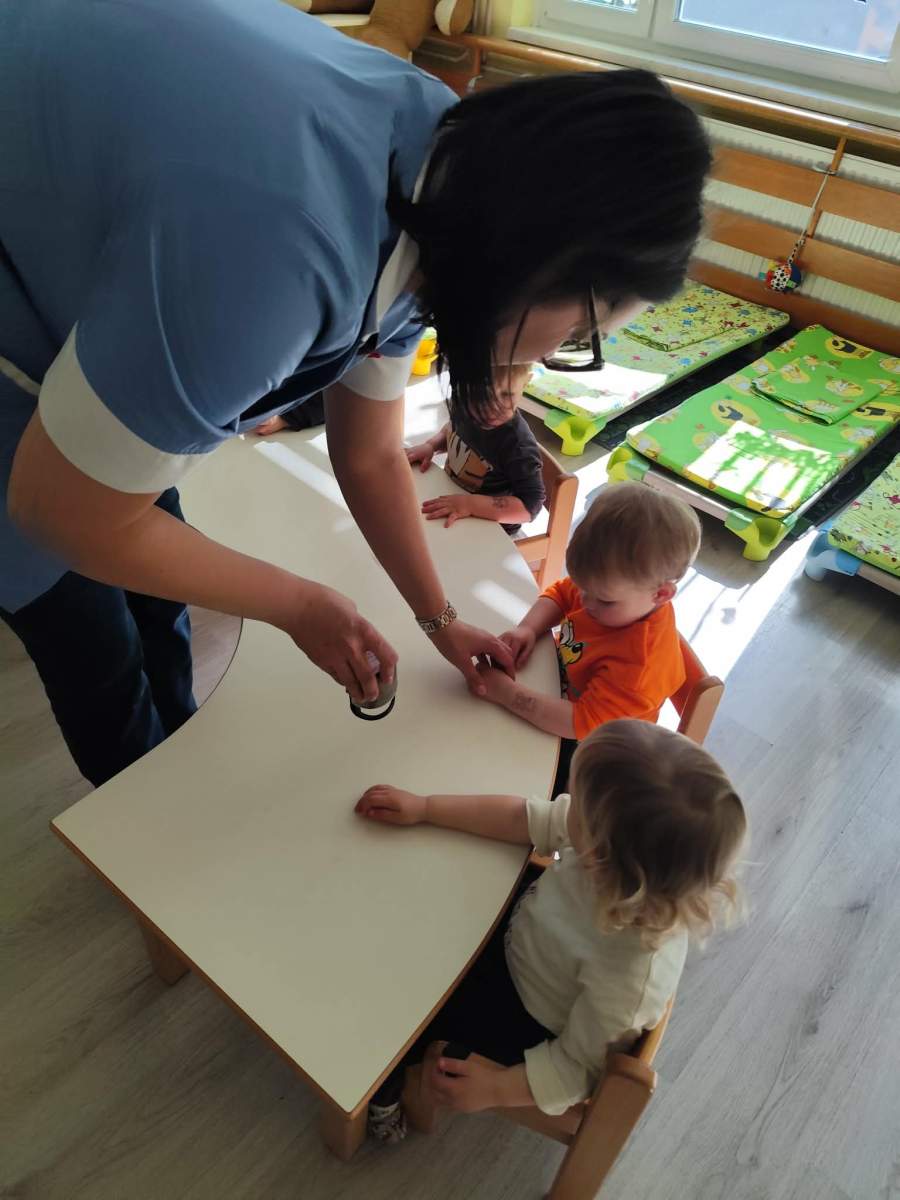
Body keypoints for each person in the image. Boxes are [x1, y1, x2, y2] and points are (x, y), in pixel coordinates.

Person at [1, 0, 711, 787]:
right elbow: (58, 510)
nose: (548, 358)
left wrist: (439, 621)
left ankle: (172, 758)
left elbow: (370, 452)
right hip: (22, 335)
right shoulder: (272, 257)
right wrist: (298, 604)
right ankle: (142, 801)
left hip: (82, 250)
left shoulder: (445, 181)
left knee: (152, 590)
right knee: (92, 643)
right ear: (541, 265)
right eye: (580, 331)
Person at [355, 719, 747, 1141]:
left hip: (526, 1015)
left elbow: (577, 1069)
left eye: (575, 802)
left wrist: (496, 1089)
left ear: (600, 855)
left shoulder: (631, 976)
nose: (566, 802)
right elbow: (522, 817)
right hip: (529, 935)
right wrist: (425, 808)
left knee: (407, 1010)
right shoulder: (612, 858)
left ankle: (383, 1092)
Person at [476, 483, 701, 789]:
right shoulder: (609, 586)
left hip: (595, 748)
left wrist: (506, 693)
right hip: (561, 691)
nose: (585, 601)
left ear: (660, 595)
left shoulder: (639, 669)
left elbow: (579, 723)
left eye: (604, 600)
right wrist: (527, 628)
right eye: (583, 587)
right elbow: (560, 594)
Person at [406, 364, 544, 534]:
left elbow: (530, 507)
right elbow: (452, 428)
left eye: (507, 394)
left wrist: (470, 504)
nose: (494, 407)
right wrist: (431, 446)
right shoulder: (465, 404)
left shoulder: (518, 446)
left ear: (525, 382)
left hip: (491, 530)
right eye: (481, 394)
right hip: (453, 499)